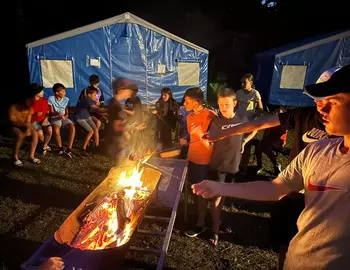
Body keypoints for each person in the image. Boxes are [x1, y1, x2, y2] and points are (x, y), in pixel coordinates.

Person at [192, 64, 350, 270]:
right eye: (319, 101)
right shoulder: (317, 150)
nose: (321, 108)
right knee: (282, 240)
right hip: (297, 259)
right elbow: (275, 188)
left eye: (333, 101)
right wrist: (219, 187)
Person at [207, 88, 257, 245]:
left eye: (227, 104)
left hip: (233, 165)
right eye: (221, 104)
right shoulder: (216, 121)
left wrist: (244, 141)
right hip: (218, 165)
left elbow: (255, 128)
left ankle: (219, 220)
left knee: (225, 196)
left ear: (235, 103)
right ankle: (215, 230)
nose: (223, 107)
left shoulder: (242, 118)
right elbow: (210, 140)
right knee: (216, 198)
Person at [181, 87, 217, 238]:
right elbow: (193, 135)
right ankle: (200, 217)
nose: (184, 103)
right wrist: (187, 140)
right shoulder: (189, 117)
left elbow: (214, 140)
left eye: (187, 100)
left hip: (205, 161)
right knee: (194, 191)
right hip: (192, 158)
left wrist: (202, 136)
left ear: (197, 102)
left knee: (201, 192)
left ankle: (201, 223)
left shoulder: (210, 116)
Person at [105, 78, 146, 165]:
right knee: (122, 166)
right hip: (118, 142)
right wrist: (134, 127)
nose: (130, 91)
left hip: (121, 141)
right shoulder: (116, 105)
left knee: (126, 166)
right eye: (128, 89)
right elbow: (116, 127)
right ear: (121, 90)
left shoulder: (115, 102)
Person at [8, 88, 41, 166]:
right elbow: (12, 120)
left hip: (23, 125)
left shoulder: (30, 108)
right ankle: (15, 157)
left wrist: (28, 129)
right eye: (30, 100)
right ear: (25, 99)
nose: (32, 101)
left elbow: (28, 121)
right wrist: (24, 125)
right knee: (20, 135)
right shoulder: (14, 107)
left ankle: (31, 156)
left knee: (35, 133)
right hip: (13, 126)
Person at [75, 86, 108, 155]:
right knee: (91, 131)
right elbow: (98, 110)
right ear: (89, 95)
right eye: (95, 95)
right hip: (80, 118)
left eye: (96, 95)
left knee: (95, 129)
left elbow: (98, 111)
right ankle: (83, 148)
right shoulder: (87, 100)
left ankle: (96, 147)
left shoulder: (91, 100)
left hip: (87, 116)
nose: (96, 96)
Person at [48, 83, 76, 158]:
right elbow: (51, 112)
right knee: (56, 130)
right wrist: (58, 113)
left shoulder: (66, 99)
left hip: (63, 117)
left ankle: (69, 149)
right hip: (55, 117)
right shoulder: (51, 99)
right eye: (63, 91)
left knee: (72, 128)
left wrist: (66, 116)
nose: (65, 93)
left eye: (64, 91)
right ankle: (60, 148)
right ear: (57, 93)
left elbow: (67, 111)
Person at [30, 83, 52, 155]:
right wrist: (34, 113)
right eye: (41, 91)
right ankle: (43, 145)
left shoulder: (44, 101)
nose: (43, 92)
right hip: (33, 120)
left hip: (43, 119)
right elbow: (27, 114)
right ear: (36, 93)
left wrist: (45, 119)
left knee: (49, 130)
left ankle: (44, 145)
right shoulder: (30, 102)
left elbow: (48, 113)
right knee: (40, 133)